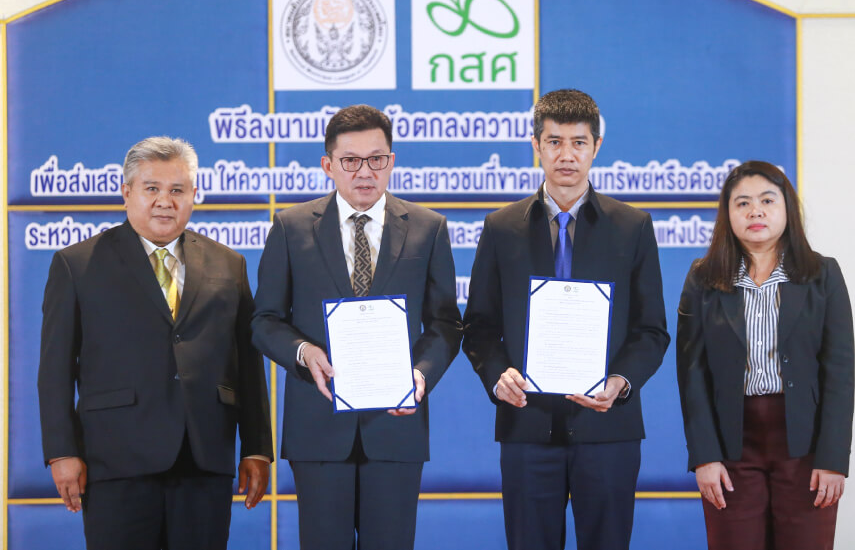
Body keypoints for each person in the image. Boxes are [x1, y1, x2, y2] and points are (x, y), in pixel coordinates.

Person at [38, 136, 274, 550]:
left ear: (194, 195)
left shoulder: (229, 264)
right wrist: (62, 452)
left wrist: (257, 448)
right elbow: (55, 370)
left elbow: (248, 365)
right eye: (152, 188)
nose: (165, 201)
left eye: (177, 190)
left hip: (204, 459)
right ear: (126, 192)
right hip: (116, 462)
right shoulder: (76, 265)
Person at [462, 89, 670, 550]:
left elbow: (651, 330)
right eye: (554, 142)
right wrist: (497, 375)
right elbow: (478, 326)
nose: (566, 155)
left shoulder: (632, 226)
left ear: (596, 147)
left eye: (578, 142)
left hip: (608, 428)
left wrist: (620, 381)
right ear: (536, 145)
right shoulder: (501, 227)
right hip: (526, 425)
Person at [251, 104, 462, 550]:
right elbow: (265, 321)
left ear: (392, 161)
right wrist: (304, 353)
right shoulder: (290, 227)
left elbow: (445, 322)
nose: (365, 172)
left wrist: (420, 374)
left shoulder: (428, 228)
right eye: (350, 160)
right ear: (328, 165)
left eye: (376, 159)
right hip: (318, 426)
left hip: (397, 426)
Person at [676, 160, 853, 550]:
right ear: (727, 214)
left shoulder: (823, 274)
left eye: (767, 200)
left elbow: (841, 372)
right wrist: (705, 456)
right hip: (731, 445)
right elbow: (692, 374)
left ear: (787, 208)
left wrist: (833, 458)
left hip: (806, 445)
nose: (755, 211)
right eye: (742, 203)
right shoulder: (703, 279)